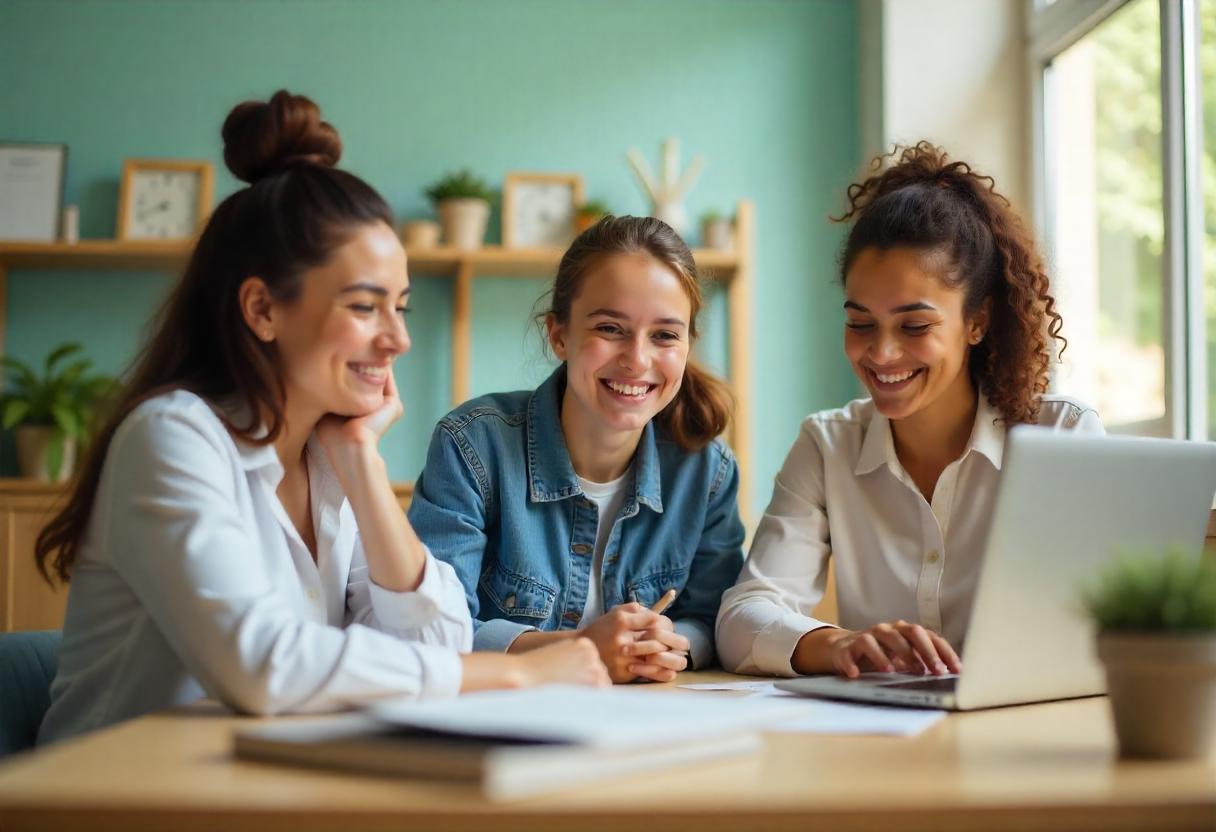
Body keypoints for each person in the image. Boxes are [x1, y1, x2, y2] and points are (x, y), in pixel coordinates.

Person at [36, 90, 606, 745]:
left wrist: (362, 464)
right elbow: (263, 666)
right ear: (262, 310)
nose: (398, 340)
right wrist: (516, 677)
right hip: (116, 801)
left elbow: (434, 636)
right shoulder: (173, 436)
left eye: (402, 307)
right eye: (365, 308)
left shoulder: (326, 453)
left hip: (268, 787)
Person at [716, 142, 1104, 679]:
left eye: (915, 326)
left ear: (977, 322)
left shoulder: (1062, 435)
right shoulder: (827, 446)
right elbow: (741, 621)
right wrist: (839, 644)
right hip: (884, 743)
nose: (881, 353)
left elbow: (1102, 626)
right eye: (860, 323)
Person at [409, 216, 745, 683]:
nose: (637, 359)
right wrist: (581, 649)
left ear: (689, 344)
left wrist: (666, 643)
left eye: (665, 335)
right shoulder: (473, 447)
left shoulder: (706, 471)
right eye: (610, 328)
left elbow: (716, 620)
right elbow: (436, 630)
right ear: (559, 334)